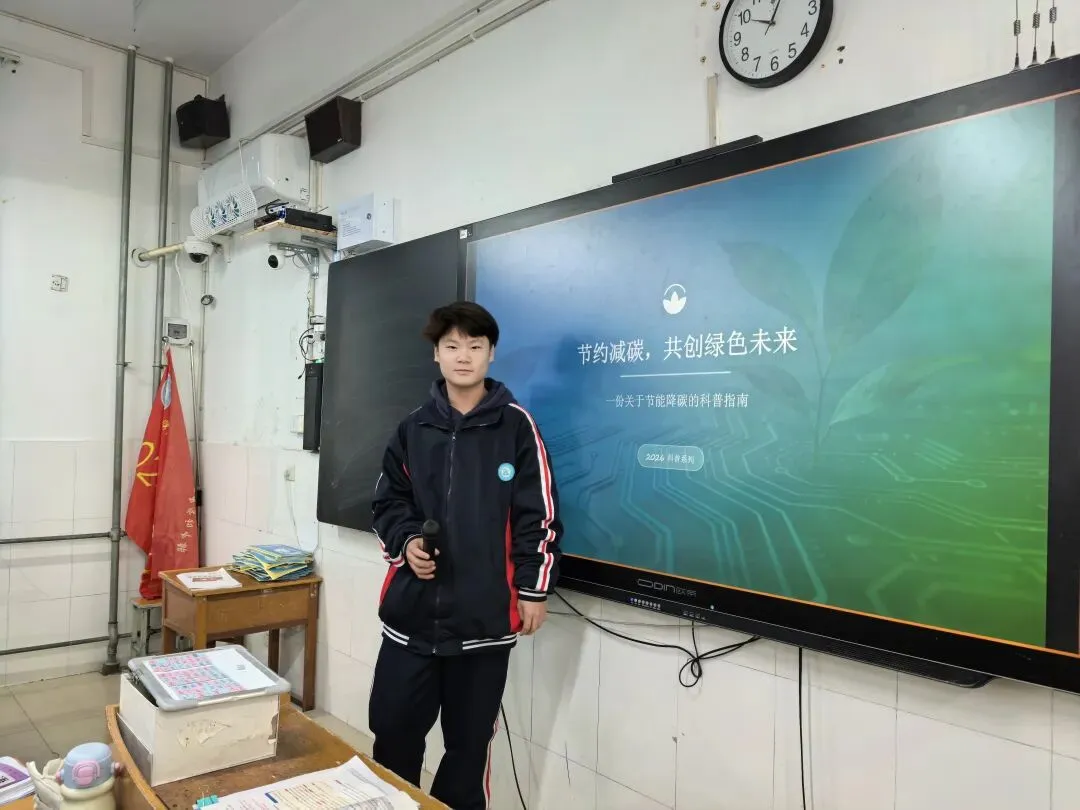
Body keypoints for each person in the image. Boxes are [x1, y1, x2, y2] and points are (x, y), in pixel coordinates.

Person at [369, 301, 563, 810]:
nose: (463, 356)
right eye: (452, 346)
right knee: (392, 738)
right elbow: (387, 504)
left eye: (475, 346)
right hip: (410, 622)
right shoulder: (412, 429)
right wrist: (408, 543)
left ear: (491, 353)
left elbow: (538, 516)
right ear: (436, 354)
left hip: (483, 623)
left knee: (467, 752)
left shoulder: (517, 428)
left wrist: (533, 589)